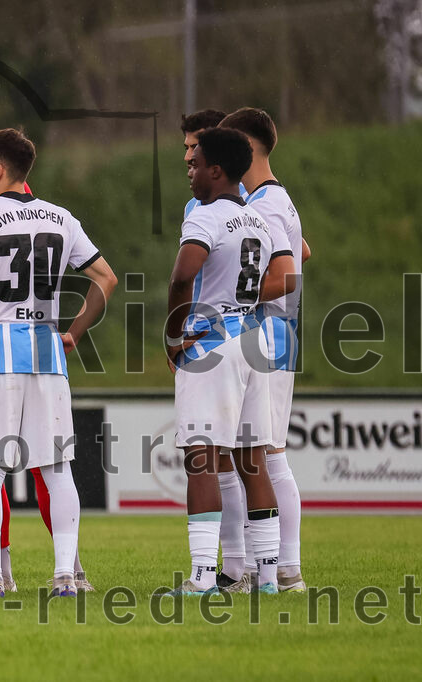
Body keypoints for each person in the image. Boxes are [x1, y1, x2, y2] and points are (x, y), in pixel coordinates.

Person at [0, 128, 117, 598]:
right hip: (47, 350)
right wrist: (75, 333)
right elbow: (106, 278)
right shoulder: (61, 217)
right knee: (58, 468)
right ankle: (65, 577)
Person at [164, 127, 297, 596]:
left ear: (216, 171)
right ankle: (266, 578)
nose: (191, 171)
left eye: (195, 163)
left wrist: (174, 335)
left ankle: (201, 577)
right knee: (253, 461)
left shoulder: (205, 215)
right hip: (252, 343)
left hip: (210, 346)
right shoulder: (258, 221)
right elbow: (285, 273)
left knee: (201, 459)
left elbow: (184, 275)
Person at [221, 107, 311, 593]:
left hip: (271, 333)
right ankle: (268, 566)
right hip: (277, 332)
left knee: (269, 455)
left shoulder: (264, 204)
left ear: (246, 147)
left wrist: (235, 293)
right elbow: (304, 252)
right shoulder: (276, 200)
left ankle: (287, 570)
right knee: (256, 454)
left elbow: (289, 272)